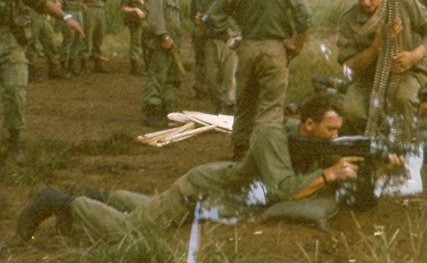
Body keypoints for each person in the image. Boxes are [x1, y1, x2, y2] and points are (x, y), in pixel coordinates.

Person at [15, 93, 404, 243]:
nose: (335, 138)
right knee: (133, 232)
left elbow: (358, 194)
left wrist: (380, 167)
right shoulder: (272, 136)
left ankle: (97, 196)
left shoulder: (316, 142)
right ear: (309, 125)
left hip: (217, 196)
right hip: (202, 189)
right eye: (330, 130)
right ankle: (61, 201)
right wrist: (329, 173)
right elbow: (285, 189)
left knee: (151, 211)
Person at [203, 0, 313, 159]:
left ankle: (240, 150)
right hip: (275, 50)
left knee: (245, 101)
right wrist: (298, 46)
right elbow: (305, 19)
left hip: (247, 47)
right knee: (271, 107)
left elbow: (213, 16)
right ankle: (261, 155)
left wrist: (229, 39)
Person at [337, 0, 427, 141]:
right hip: (367, 78)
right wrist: (376, 47)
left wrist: (414, 55)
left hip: (408, 73)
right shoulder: (349, 20)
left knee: (403, 101)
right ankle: (369, 151)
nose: (366, 2)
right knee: (352, 111)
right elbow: (348, 69)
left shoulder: (401, 1)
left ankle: (403, 152)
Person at [0, 0, 83, 160]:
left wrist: (65, 17)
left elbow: (39, 2)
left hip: (9, 41)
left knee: (16, 91)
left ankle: (15, 141)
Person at [142, 0, 184, 128]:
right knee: (157, 77)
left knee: (172, 78)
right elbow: (155, 18)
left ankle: (166, 109)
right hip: (162, 43)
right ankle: (152, 112)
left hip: (172, 43)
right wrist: (164, 37)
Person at [199, 0, 239, 114]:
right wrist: (200, 20)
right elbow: (202, 16)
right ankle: (217, 105)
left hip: (230, 42)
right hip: (212, 41)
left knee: (230, 78)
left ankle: (229, 107)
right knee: (211, 79)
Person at [25, 0, 68, 80]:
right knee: (33, 44)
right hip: (33, 15)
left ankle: (54, 69)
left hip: (43, 16)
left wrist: (55, 2)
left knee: (51, 41)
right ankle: (31, 72)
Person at [51, 0, 87, 77]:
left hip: (79, 11)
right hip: (69, 11)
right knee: (68, 37)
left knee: (78, 38)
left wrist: (82, 4)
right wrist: (56, 1)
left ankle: (72, 65)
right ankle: (63, 66)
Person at [189, 0, 218, 98]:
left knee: (200, 59)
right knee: (205, 60)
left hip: (197, 29)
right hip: (203, 30)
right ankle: (202, 87)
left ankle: (200, 87)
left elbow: (192, 13)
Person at [120, 0, 151, 75]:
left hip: (146, 20)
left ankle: (148, 66)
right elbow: (123, 8)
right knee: (136, 43)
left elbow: (149, 1)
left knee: (147, 43)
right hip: (134, 21)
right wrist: (135, 10)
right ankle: (135, 68)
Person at [82, 0, 109, 73]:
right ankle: (83, 63)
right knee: (87, 36)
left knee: (99, 36)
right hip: (90, 10)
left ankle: (97, 63)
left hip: (101, 10)